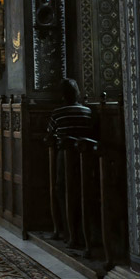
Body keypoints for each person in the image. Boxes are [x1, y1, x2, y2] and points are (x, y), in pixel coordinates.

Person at [46, 78, 93, 244]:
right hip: (86, 158)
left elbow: (49, 135)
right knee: (82, 192)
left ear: (62, 96)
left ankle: (66, 230)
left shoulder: (58, 113)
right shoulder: (87, 111)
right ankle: (81, 231)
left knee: (62, 190)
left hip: (64, 157)